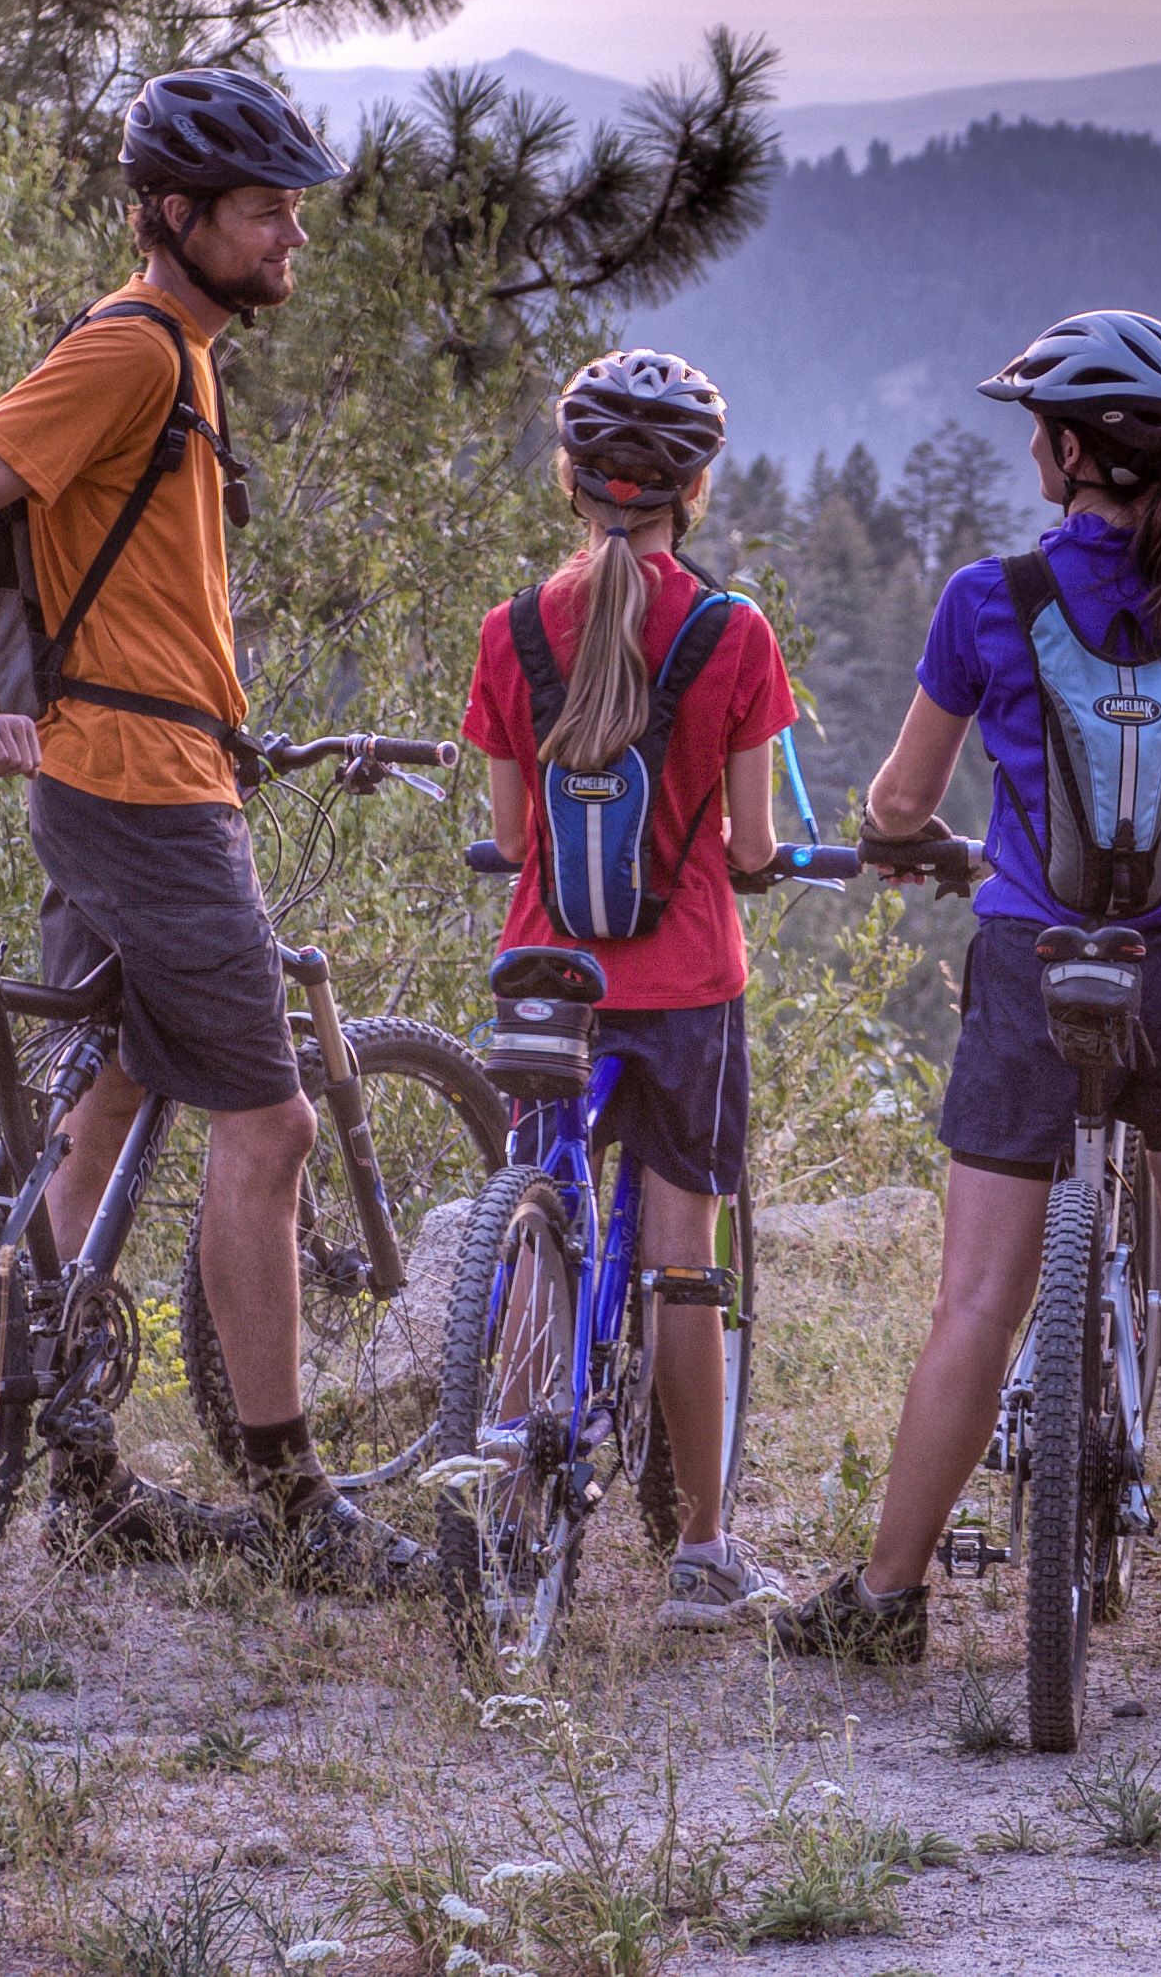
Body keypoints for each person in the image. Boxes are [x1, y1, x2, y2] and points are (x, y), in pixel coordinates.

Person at [0, 67, 423, 1590]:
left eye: (291, 212)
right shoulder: (130, 353)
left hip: (136, 772)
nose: (288, 238)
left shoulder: (186, 358)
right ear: (177, 217)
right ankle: (297, 1501)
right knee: (273, 1124)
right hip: (145, 800)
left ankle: (73, 1467)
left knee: (101, 1108)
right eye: (264, 212)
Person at [773, 309, 1161, 1672]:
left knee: (978, 1298)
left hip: (1034, 961)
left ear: (1065, 453)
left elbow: (900, 800)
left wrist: (921, 840)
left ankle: (886, 1600)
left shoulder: (992, 599)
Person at [459, 347, 799, 1632]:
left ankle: (504, 1461)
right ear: (694, 489)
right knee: (680, 1266)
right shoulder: (733, 634)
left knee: (536, 1225)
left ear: (570, 480)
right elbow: (755, 847)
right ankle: (702, 1553)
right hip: (684, 989)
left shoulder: (511, 630)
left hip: (546, 979)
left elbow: (507, 825)